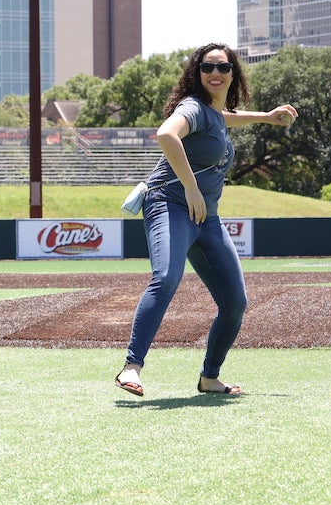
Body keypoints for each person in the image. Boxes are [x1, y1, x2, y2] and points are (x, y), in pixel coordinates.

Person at [115, 42, 297, 398]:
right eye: (208, 67)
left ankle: (209, 378)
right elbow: (166, 134)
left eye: (223, 67)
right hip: (170, 205)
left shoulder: (212, 113)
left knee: (235, 302)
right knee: (166, 276)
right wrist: (192, 188)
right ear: (197, 74)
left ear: (233, 74)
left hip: (206, 218)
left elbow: (225, 117)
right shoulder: (192, 107)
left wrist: (265, 116)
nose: (216, 73)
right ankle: (131, 368)